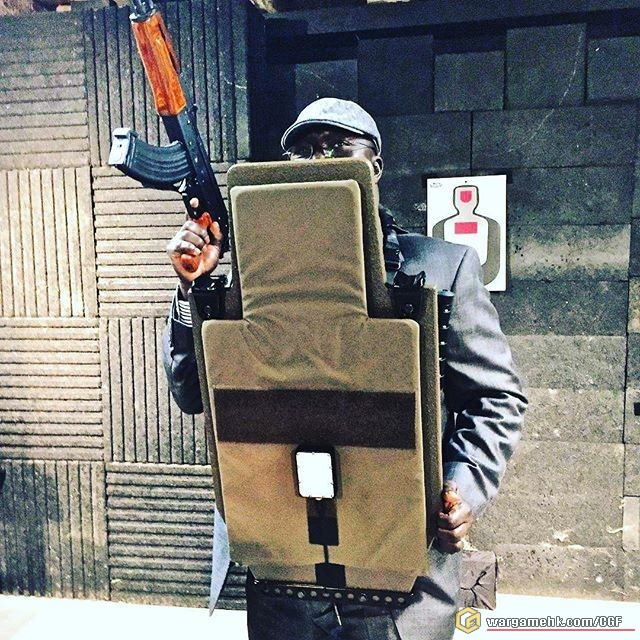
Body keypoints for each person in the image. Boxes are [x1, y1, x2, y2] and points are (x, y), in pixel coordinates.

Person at [162, 98, 527, 640]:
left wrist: (461, 489)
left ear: (373, 166)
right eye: (303, 150)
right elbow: (193, 394)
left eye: (338, 146)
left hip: (402, 583)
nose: (319, 160)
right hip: (286, 578)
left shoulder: (441, 266)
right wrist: (192, 288)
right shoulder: (251, 279)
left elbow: (496, 398)